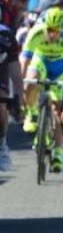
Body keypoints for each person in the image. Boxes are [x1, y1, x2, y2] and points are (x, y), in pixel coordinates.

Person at [20, 7, 63, 175]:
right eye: (49, 29)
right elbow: (24, 61)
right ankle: (32, 113)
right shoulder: (36, 33)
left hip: (60, 67)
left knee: (58, 110)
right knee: (30, 81)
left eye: (56, 31)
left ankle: (58, 151)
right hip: (42, 61)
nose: (52, 34)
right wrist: (21, 86)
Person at [0, 10, 23, 171]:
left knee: (1, 106)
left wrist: (18, 101)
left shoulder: (6, 37)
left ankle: (1, 144)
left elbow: (15, 73)